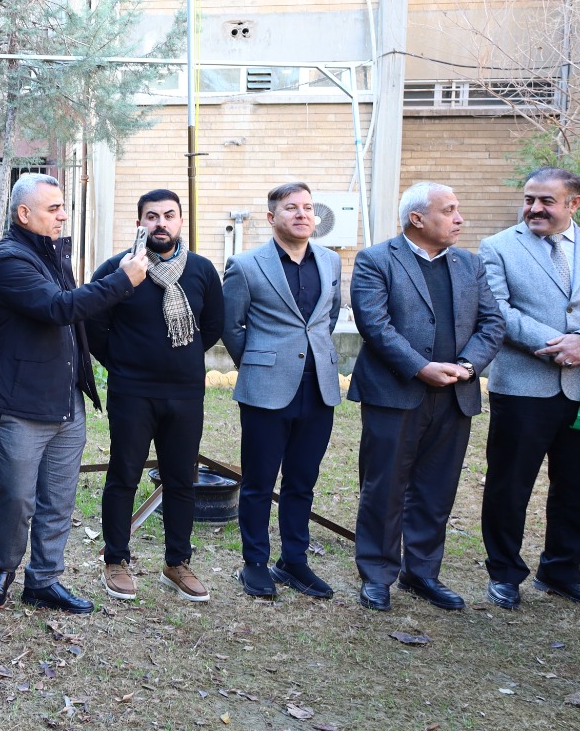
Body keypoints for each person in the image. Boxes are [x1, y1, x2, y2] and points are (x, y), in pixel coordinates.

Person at [0, 175, 145, 613]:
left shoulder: (52, 254)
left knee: (58, 500)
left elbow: (74, 317)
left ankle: (44, 580)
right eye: (53, 208)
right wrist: (123, 280)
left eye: (63, 207)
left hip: (65, 402)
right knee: (18, 499)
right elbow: (59, 308)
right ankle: (2, 570)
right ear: (23, 214)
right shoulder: (7, 260)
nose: (63, 216)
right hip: (18, 404)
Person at [348, 182, 504, 612]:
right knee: (384, 487)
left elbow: (492, 323)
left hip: (455, 395)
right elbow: (374, 324)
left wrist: (467, 366)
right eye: (449, 210)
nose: (459, 219)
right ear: (417, 218)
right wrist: (421, 367)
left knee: (437, 489)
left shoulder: (470, 264)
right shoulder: (376, 260)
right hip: (394, 393)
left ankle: (421, 574)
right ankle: (377, 575)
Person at [86, 190, 223, 604]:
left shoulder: (201, 270)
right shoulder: (119, 269)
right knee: (124, 475)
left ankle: (177, 563)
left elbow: (212, 326)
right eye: (152, 216)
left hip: (185, 393)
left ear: (180, 221)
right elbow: (93, 325)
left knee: (181, 479)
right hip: (132, 392)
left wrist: (178, 359)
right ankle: (115, 559)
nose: (161, 223)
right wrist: (124, 363)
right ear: (140, 223)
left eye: (169, 215)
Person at [222, 182, 343, 600]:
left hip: (319, 387)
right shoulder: (245, 265)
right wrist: (258, 363)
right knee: (259, 482)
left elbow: (327, 318)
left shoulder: (330, 261)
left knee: (302, 481)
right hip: (266, 389)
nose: (303, 214)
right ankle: (254, 563)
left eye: (308, 207)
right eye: (292, 208)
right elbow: (231, 325)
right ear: (272, 217)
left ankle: (294, 561)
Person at [478, 167, 580, 609]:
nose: (534, 208)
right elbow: (497, 311)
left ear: (573, 204)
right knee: (509, 486)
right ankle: (504, 573)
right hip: (523, 388)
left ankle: (561, 570)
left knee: (574, 487)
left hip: (578, 391)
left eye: (546, 201)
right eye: (529, 199)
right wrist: (560, 345)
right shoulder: (497, 246)